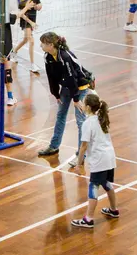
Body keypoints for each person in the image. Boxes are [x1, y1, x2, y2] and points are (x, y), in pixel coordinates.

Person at [37, 33, 92, 160]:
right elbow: (52, 77)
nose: (40, 46)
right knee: (60, 115)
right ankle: (54, 146)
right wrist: (55, 93)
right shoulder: (48, 56)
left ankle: (81, 154)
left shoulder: (65, 56)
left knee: (80, 121)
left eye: (43, 43)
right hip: (67, 87)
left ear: (51, 45)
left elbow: (72, 77)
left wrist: (77, 99)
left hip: (80, 87)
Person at [71, 93, 120, 228]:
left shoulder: (88, 123)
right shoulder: (101, 117)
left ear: (87, 106)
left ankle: (89, 218)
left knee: (93, 186)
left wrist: (79, 164)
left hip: (99, 159)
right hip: (109, 157)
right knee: (106, 183)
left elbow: (84, 146)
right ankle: (113, 209)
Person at [12, 0, 42, 73]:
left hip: (33, 20)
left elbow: (40, 5)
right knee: (31, 41)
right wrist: (31, 22)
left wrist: (37, 6)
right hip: (25, 21)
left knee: (25, 40)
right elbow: (21, 14)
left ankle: (14, 52)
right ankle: (32, 65)